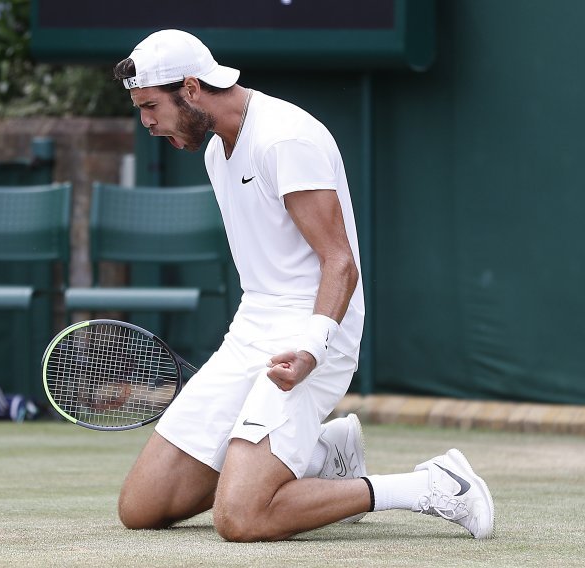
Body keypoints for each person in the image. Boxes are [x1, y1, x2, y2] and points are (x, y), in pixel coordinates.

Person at [112, 29, 494, 542]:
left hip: (315, 331)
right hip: (253, 327)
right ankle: (321, 454)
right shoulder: (214, 152)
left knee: (241, 518)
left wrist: (313, 348)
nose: (147, 123)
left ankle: (432, 485)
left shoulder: (284, 138)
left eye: (151, 106)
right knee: (142, 506)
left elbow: (341, 263)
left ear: (191, 87)